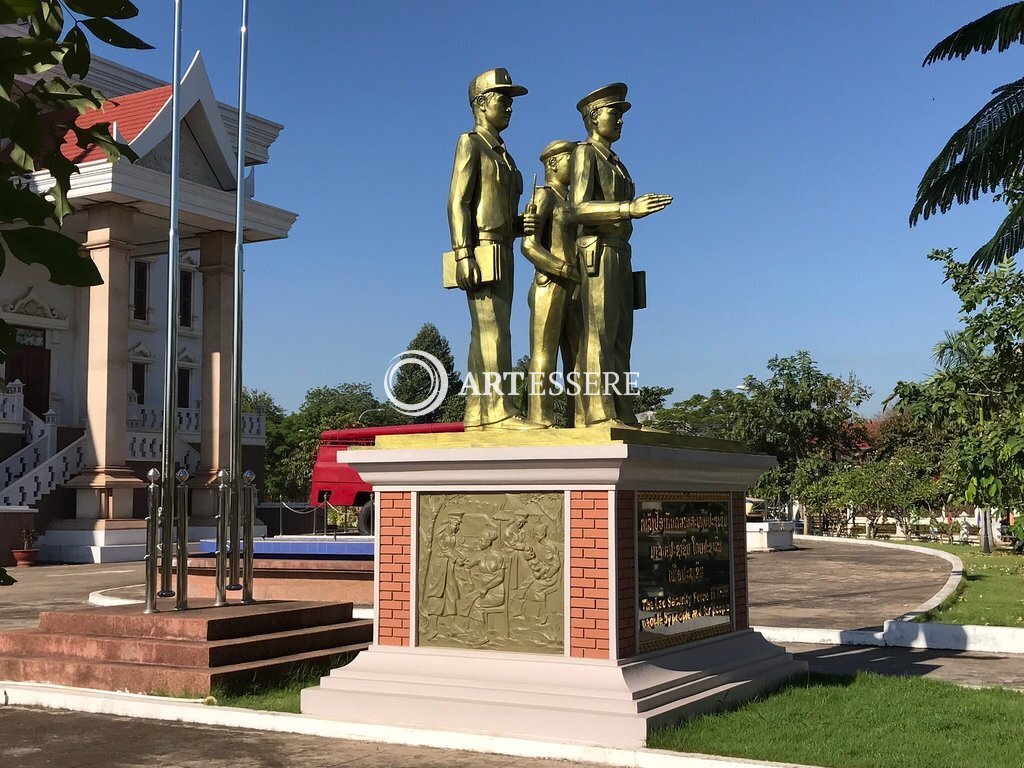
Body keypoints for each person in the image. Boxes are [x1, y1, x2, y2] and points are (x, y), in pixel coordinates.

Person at [571, 83, 672, 427]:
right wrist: (629, 208)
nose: (620, 120)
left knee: (620, 337)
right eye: (614, 113)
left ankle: (622, 408)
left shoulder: (616, 162)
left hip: (620, 252)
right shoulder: (585, 153)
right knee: (598, 333)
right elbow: (579, 209)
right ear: (593, 117)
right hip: (597, 252)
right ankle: (599, 412)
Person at [447, 68, 544, 430]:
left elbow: (496, 209)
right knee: (493, 330)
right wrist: (463, 252)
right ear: (481, 102)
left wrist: (520, 225)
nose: (510, 108)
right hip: (483, 248)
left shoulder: (505, 155)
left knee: (487, 330)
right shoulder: (470, 143)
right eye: (504, 100)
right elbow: (458, 203)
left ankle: (477, 409)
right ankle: (499, 409)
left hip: (503, 246)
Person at [522, 139, 583, 427]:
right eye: (571, 159)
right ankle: (540, 416)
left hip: (575, 285)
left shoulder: (573, 201)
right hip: (550, 284)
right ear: (553, 164)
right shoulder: (544, 196)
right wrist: (561, 268)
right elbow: (529, 247)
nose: (576, 165)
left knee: (579, 356)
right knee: (544, 355)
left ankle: (580, 415)